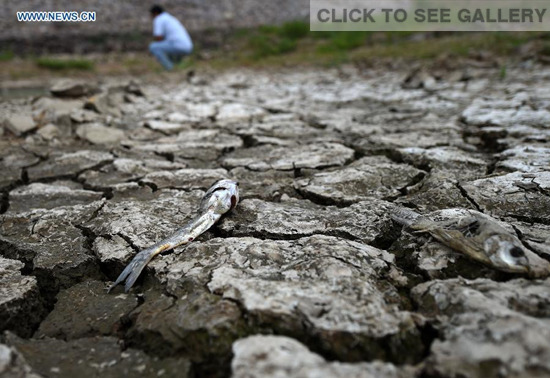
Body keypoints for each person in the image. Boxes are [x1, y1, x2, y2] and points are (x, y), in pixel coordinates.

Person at [148, 5, 193, 71]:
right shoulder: (170, 18)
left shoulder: (159, 19)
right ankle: (178, 67)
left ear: (155, 13)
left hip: (177, 45)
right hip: (188, 46)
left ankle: (169, 68)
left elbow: (158, 37)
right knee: (165, 48)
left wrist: (153, 52)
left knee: (153, 47)